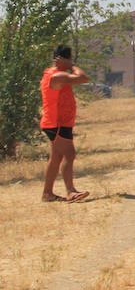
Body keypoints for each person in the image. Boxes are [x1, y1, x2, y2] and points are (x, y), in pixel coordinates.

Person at [40, 45, 91, 203]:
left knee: (56, 157)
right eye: (68, 59)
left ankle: (47, 194)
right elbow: (84, 78)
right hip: (57, 123)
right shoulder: (57, 76)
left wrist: (67, 66)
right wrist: (71, 66)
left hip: (58, 122)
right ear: (62, 60)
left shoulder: (54, 74)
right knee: (69, 154)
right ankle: (71, 191)